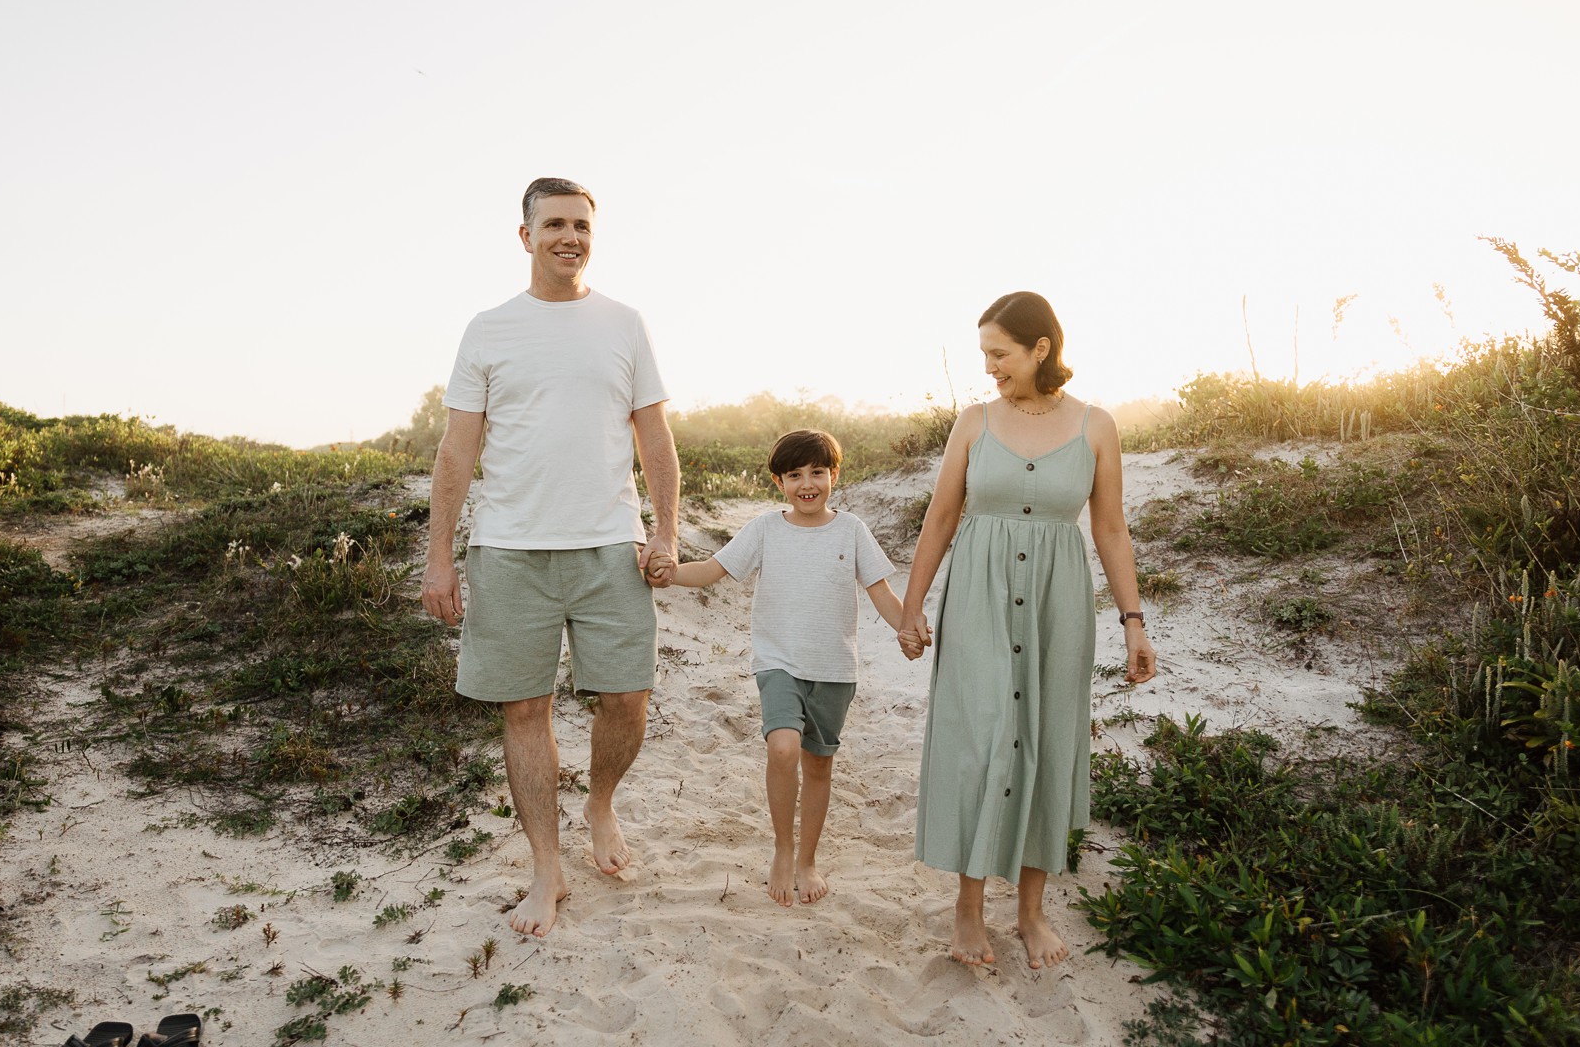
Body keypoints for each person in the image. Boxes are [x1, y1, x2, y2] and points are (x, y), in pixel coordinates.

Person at [421, 177, 680, 939]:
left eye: (582, 225)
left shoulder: (624, 323)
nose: (570, 237)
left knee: (626, 699)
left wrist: (665, 532)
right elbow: (456, 448)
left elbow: (656, 441)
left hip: (610, 548)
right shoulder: (489, 328)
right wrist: (440, 556)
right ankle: (547, 869)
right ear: (525, 235)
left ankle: (599, 803)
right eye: (555, 224)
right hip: (509, 552)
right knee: (524, 711)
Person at [897, 291, 1158, 970]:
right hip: (979, 597)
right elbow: (941, 518)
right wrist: (912, 603)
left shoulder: (1096, 425)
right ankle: (968, 910)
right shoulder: (973, 422)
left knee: (1045, 740)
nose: (990, 368)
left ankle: (1032, 911)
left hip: (1057, 602)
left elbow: (1109, 528)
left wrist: (1135, 623)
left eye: (999, 354)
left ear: (1040, 349)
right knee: (980, 743)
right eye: (985, 354)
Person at [659, 429, 904, 907]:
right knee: (783, 747)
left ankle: (807, 859)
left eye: (817, 472)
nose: (807, 483)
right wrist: (670, 574)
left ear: (834, 475)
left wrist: (908, 628)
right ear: (779, 482)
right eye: (795, 475)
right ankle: (782, 848)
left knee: (818, 766)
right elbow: (713, 569)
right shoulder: (765, 529)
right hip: (778, 663)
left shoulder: (851, 529)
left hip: (835, 669)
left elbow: (882, 593)